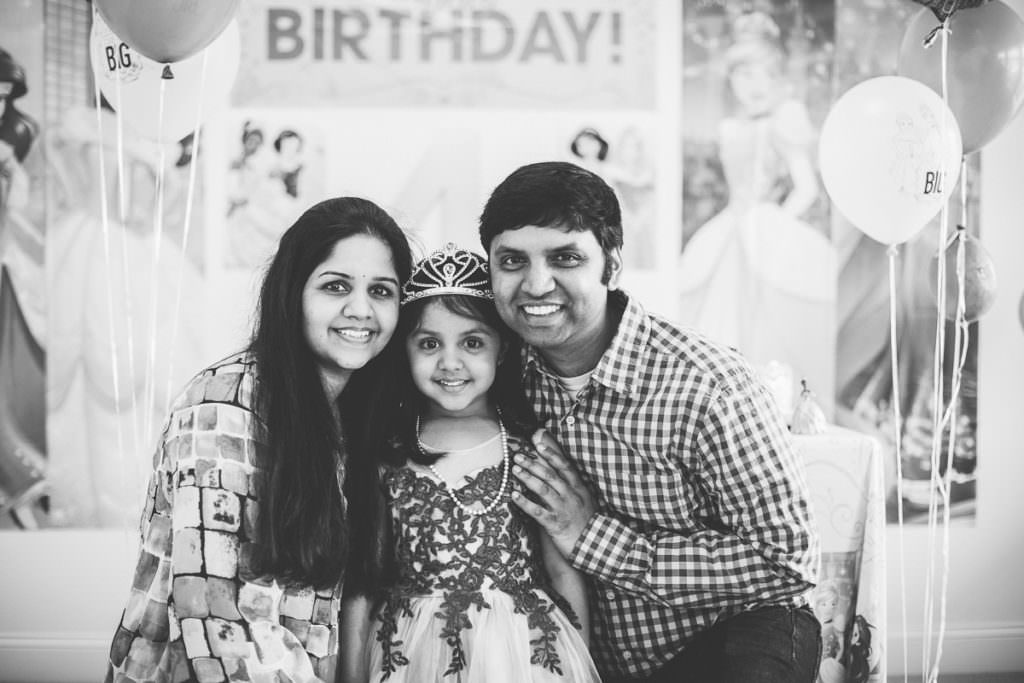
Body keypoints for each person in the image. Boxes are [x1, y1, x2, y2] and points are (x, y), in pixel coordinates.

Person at [478, 160, 821, 682]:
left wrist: (592, 534)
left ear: (611, 265)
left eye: (565, 257)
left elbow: (787, 560)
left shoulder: (707, 384)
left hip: (729, 634)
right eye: (512, 261)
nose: (536, 283)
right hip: (589, 653)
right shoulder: (498, 376)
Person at [105, 197, 413, 682]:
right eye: (336, 287)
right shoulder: (222, 407)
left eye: (382, 291)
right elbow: (212, 615)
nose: (362, 309)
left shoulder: (351, 417)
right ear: (292, 294)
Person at [340, 243, 600, 683]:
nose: (450, 362)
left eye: (472, 342)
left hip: (519, 655)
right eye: (428, 343)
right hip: (413, 650)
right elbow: (364, 580)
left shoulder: (530, 446)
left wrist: (583, 663)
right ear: (404, 351)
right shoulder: (388, 451)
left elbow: (562, 570)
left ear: (502, 349)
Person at [676, 10, 836, 414]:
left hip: (762, 228)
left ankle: (773, 406)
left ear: (777, 76)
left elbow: (806, 187)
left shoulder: (784, 121)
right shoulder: (730, 128)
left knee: (767, 326)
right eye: (744, 75)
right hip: (731, 228)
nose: (755, 85)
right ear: (731, 81)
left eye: (764, 74)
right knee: (717, 319)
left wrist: (774, 224)